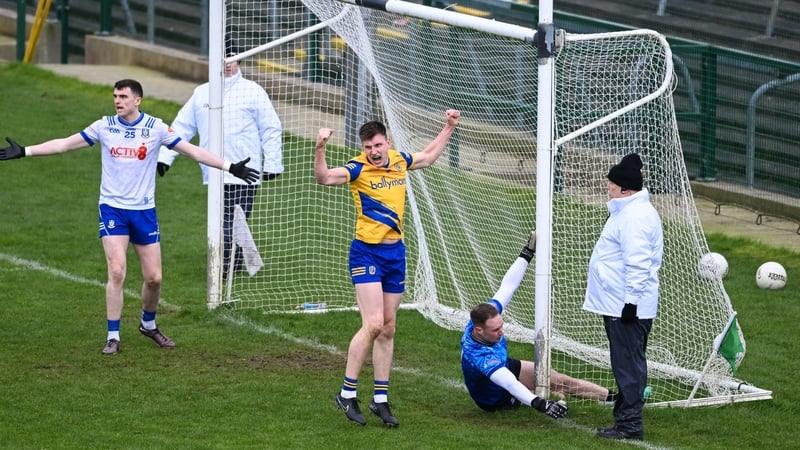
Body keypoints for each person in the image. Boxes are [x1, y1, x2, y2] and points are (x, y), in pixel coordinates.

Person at [0, 79, 259, 356]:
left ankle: (148, 325)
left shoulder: (156, 128)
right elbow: (64, 144)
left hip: (144, 211)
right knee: (117, 270)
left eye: (123, 96)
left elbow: (193, 151)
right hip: (112, 209)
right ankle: (113, 336)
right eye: (115, 96)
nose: (117, 101)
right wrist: (25, 151)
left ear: (138, 100)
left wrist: (229, 166)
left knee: (154, 279)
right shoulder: (104, 126)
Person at [314, 110, 461, 427]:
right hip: (366, 254)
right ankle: (346, 393)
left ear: (387, 142)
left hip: (395, 253)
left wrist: (449, 127)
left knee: (389, 327)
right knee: (374, 324)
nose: (374, 152)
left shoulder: (399, 160)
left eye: (378, 145)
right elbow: (324, 177)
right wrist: (320, 148)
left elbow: (428, 157)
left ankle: (380, 399)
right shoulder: (356, 168)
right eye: (368, 147)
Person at [157, 38, 283, 278]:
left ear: (239, 59)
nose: (227, 63)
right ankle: (230, 262)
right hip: (213, 170)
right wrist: (165, 156)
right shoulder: (202, 92)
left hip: (246, 172)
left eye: (232, 57)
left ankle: (227, 264)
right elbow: (182, 127)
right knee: (223, 219)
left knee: (236, 220)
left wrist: (273, 163)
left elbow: (270, 128)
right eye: (222, 58)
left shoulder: (253, 91)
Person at [461, 231, 615, 418]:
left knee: (556, 379)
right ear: (479, 330)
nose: (502, 331)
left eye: (501, 325)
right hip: (496, 398)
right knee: (547, 391)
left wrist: (527, 253)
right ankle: (549, 395)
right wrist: (541, 404)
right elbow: (509, 383)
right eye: (495, 329)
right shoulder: (480, 356)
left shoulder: (486, 314)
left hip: (505, 365)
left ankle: (615, 398)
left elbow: (508, 286)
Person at [583, 153, 663, 441]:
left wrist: (630, 302)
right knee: (628, 363)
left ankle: (629, 425)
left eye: (612, 187)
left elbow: (638, 262)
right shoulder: (629, 212)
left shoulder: (634, 217)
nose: (608, 190)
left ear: (626, 190)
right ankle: (625, 419)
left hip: (626, 306)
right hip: (621, 303)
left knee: (628, 366)